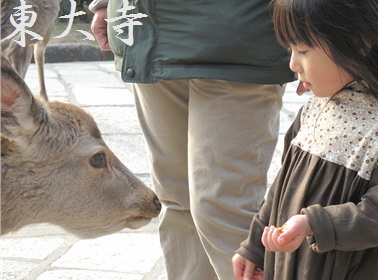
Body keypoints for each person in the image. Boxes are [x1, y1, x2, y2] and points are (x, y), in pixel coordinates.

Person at [89, 0, 293, 279]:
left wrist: (316, 35)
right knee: (175, 199)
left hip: (239, 42)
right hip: (147, 33)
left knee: (222, 207)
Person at [232, 0, 378, 279]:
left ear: (358, 42)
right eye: (290, 49)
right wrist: (254, 247)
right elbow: (283, 184)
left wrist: (316, 223)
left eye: (303, 50)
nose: (293, 64)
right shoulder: (313, 110)